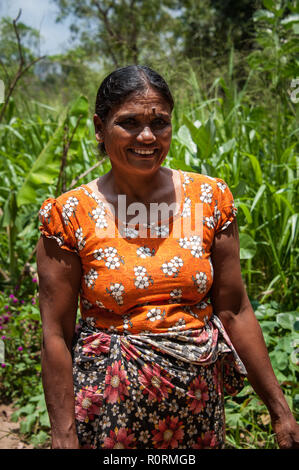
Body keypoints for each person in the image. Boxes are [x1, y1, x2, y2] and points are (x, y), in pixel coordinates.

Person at [37, 65, 299, 449]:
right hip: (110, 412)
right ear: (99, 127)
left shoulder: (209, 199)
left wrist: (280, 409)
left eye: (159, 122)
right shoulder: (71, 214)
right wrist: (63, 436)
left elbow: (235, 310)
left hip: (197, 412)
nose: (147, 136)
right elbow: (55, 335)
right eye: (129, 122)